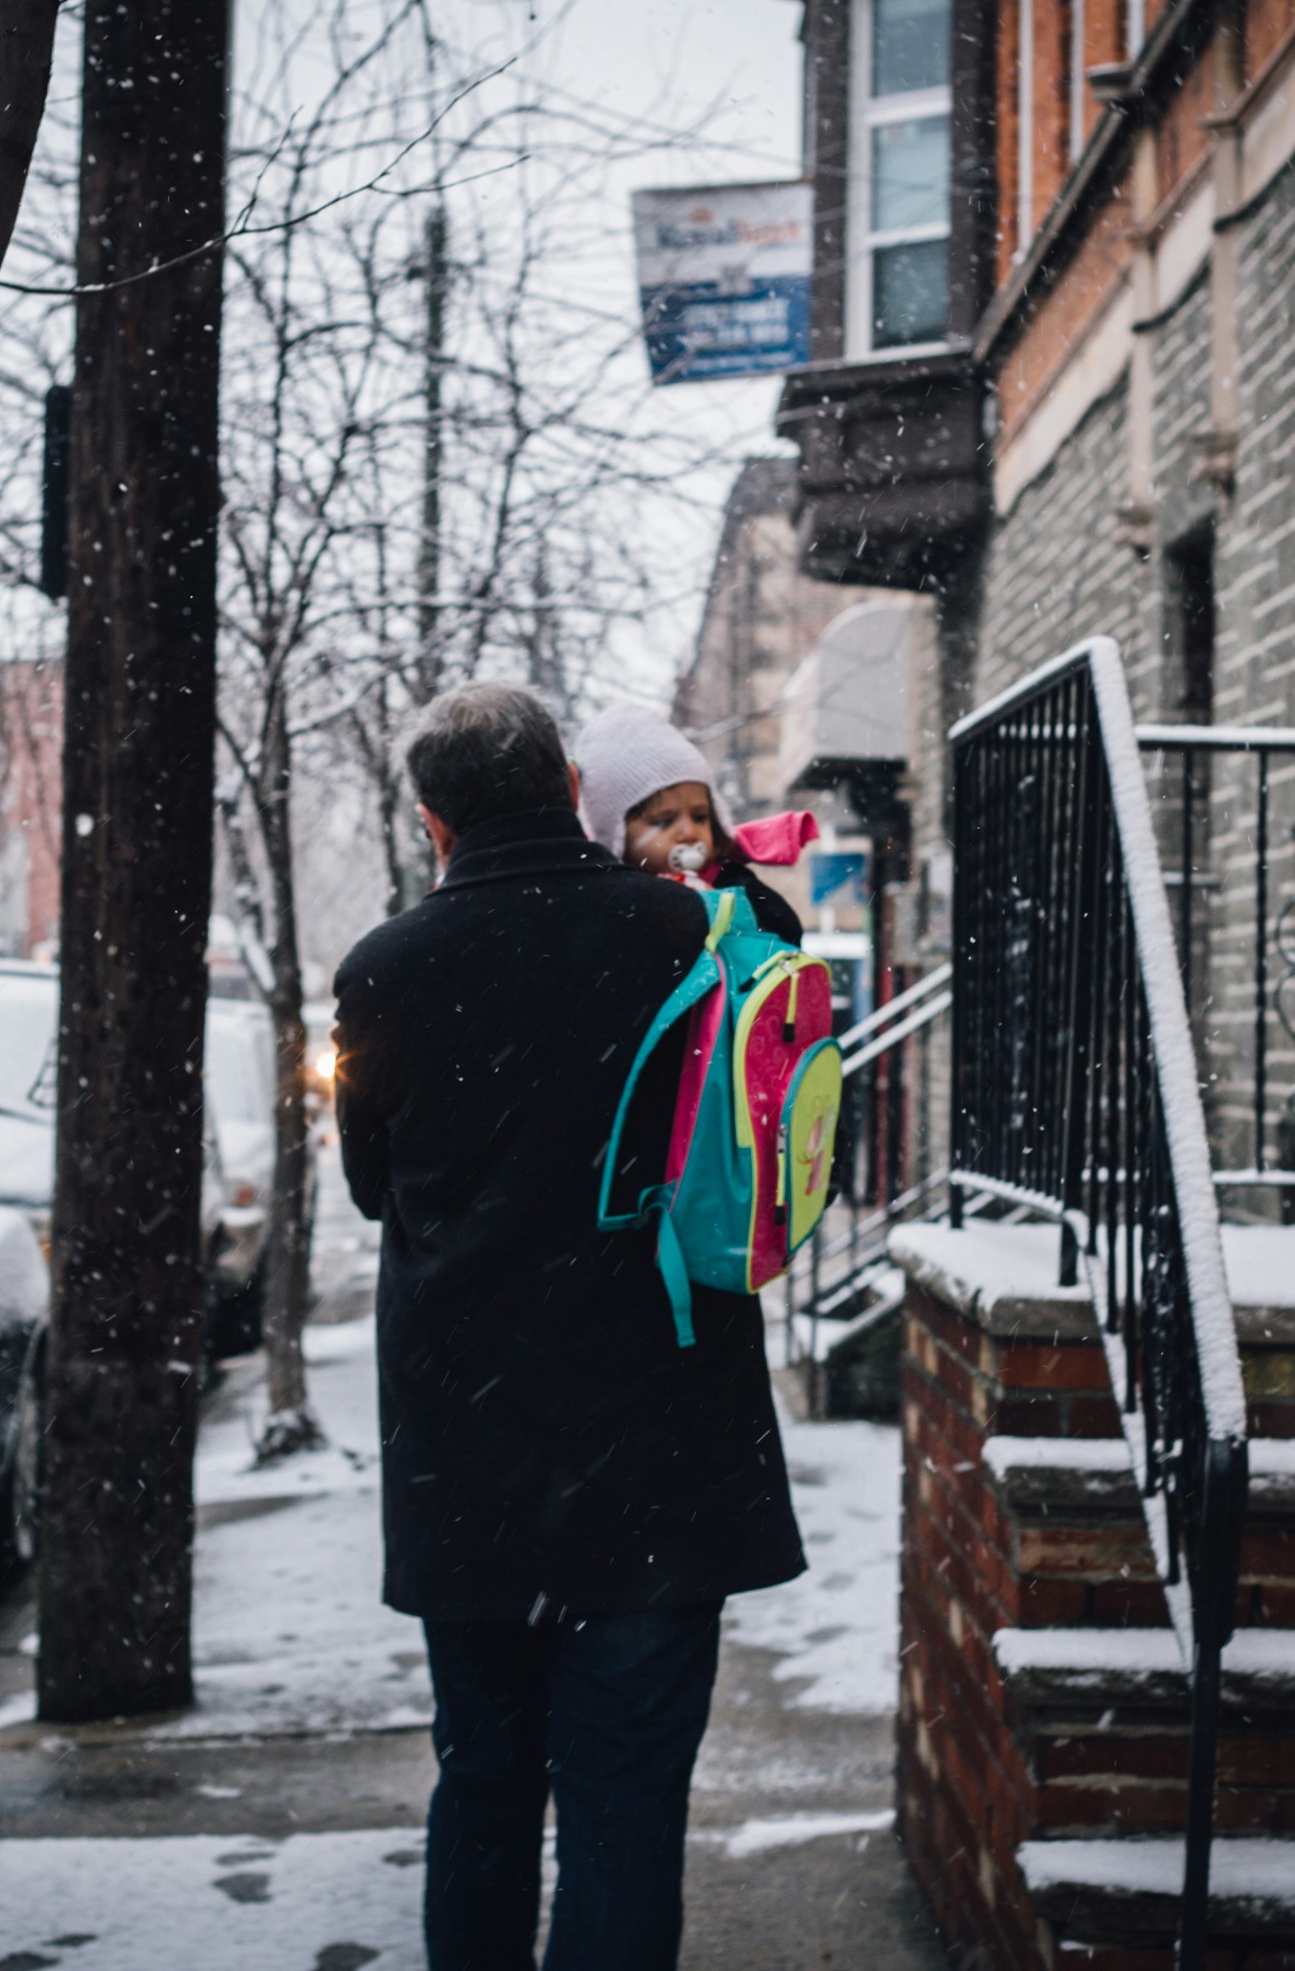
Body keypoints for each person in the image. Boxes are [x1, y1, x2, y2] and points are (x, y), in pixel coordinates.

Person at [333, 684, 805, 1971]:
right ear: (571, 789)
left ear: (432, 822)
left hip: (467, 1451)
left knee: (485, 1781)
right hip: (659, 1444)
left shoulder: (383, 969)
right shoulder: (682, 927)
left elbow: (374, 1186)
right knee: (626, 1803)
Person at [569, 706, 810, 946]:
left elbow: (785, 931)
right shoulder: (611, 901)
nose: (689, 832)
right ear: (616, 836)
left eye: (699, 817)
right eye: (664, 821)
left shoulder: (731, 884)